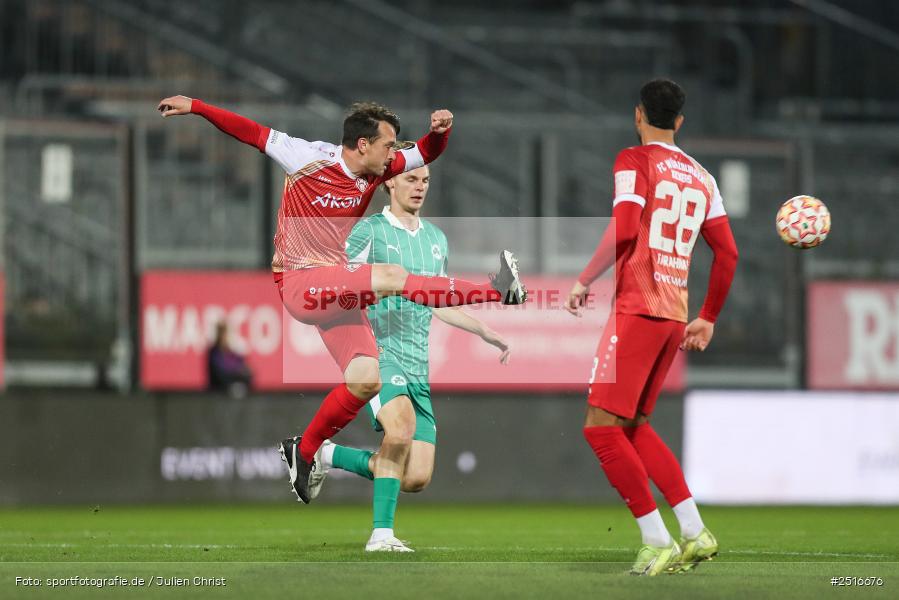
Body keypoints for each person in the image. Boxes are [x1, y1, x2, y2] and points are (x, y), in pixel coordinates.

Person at [157, 96, 527, 505]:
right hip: (300, 281)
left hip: (338, 289)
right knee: (392, 277)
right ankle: (497, 290)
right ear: (363, 145)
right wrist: (195, 105)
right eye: (389, 145)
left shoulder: (379, 168)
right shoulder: (306, 157)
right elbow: (248, 130)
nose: (395, 156)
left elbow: (426, 152)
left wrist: (441, 133)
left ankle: (308, 451)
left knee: (367, 377)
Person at [565, 79, 739, 576]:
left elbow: (624, 227)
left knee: (600, 429)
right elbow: (727, 253)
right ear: (679, 121)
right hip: (673, 316)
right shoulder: (703, 177)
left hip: (638, 309)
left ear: (638, 114)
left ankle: (655, 538)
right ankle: (694, 531)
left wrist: (583, 279)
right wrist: (707, 316)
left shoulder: (633, 160)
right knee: (634, 427)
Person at [308, 157, 510, 552]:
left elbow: (439, 301)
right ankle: (381, 535)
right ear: (390, 184)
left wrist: (487, 331)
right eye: (411, 178)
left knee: (415, 476)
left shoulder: (436, 239)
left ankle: (325, 454)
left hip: (419, 365)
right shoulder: (369, 231)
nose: (420, 186)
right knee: (399, 431)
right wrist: (374, 290)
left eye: (426, 179)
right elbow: (338, 285)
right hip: (379, 352)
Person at [207, 321, 253, 398]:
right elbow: (219, 374)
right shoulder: (214, 353)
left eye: (226, 333)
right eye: (222, 333)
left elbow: (245, 369)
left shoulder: (233, 353)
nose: (224, 337)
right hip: (219, 392)